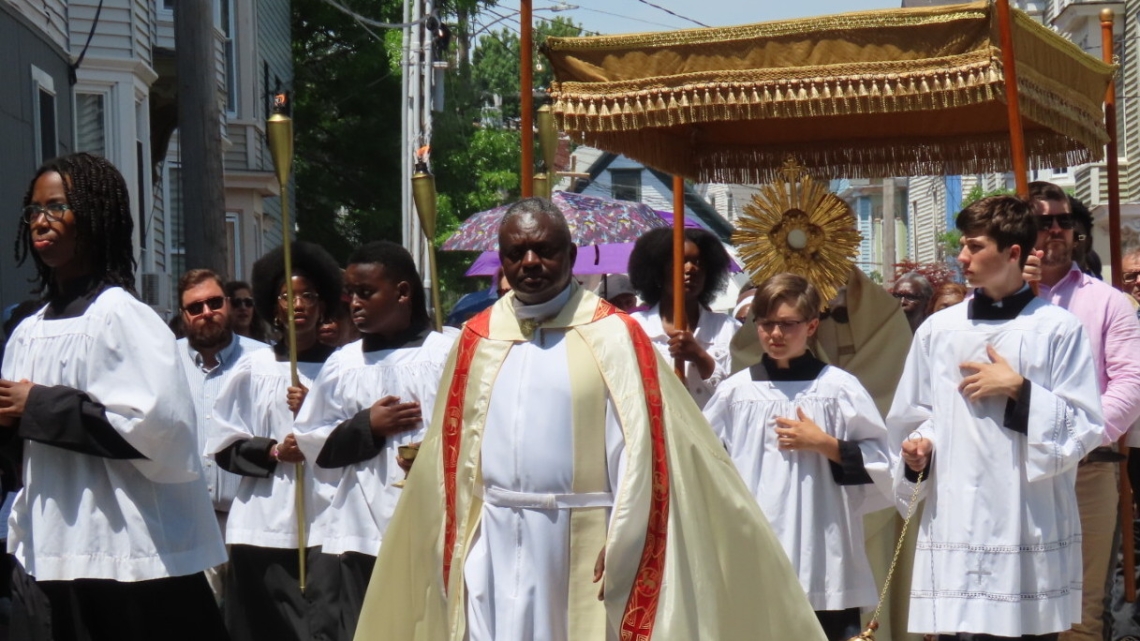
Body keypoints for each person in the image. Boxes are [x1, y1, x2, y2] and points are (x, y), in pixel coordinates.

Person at [352, 198, 826, 641]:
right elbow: (452, 451)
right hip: (493, 537)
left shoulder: (614, 336)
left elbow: (643, 449)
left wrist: (625, 531)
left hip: (580, 538)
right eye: (517, 253)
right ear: (502, 260)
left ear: (572, 254)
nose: (531, 262)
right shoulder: (476, 338)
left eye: (545, 250)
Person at [0, 153, 226, 640]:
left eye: (57, 207)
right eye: (34, 210)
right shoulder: (25, 330)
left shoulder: (122, 316)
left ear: (96, 215)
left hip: (129, 552)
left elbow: (159, 429)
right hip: (51, 543)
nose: (41, 220)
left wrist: (36, 406)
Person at [890, 195, 1105, 641]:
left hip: (1025, 516)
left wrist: (1019, 389)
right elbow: (917, 414)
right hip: (957, 515)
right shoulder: (939, 330)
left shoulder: (1057, 329)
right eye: (963, 246)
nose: (961, 257)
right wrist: (919, 448)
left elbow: (1084, 426)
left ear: (1013, 253)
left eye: (974, 246)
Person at [703, 273, 892, 641]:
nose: (775, 334)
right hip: (756, 545)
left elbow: (882, 461)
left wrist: (827, 445)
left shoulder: (838, 388)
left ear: (811, 326)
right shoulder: (736, 393)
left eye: (787, 324)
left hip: (824, 547)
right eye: (766, 324)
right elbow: (708, 463)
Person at [293, 241, 456, 640]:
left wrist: (431, 457)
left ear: (402, 292)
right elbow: (313, 441)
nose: (353, 304)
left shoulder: (447, 353)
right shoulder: (344, 362)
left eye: (366, 292)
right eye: (350, 293)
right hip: (358, 529)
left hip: (430, 525)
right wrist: (367, 425)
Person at [208, 242, 344, 641]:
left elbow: (363, 436)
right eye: (288, 296)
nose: (298, 304)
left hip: (326, 520)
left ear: (323, 305)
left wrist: (316, 411)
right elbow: (224, 444)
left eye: (308, 296)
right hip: (262, 525)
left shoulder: (344, 366)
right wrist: (272, 450)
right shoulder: (253, 368)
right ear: (274, 305)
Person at [1027, 181, 1140, 641]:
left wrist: (1078, 439)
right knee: (1016, 604)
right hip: (1014, 472)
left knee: (1082, 610)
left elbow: (1129, 384)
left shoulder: (1108, 301)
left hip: (1088, 471)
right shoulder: (991, 304)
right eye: (1042, 221)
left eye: (1064, 221)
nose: (1054, 229)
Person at [176, 268, 270, 596]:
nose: (206, 313)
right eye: (195, 307)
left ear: (227, 304)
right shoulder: (165, 362)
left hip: (253, 522)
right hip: (190, 525)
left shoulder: (264, 360)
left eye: (214, 302)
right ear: (183, 315)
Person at [628, 227, 738, 409]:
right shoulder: (636, 328)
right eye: (681, 261)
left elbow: (739, 396)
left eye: (699, 262)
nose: (691, 269)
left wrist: (699, 356)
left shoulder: (728, 328)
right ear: (658, 271)